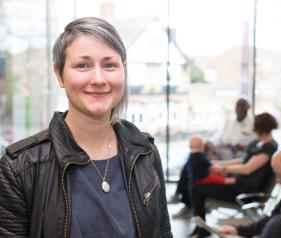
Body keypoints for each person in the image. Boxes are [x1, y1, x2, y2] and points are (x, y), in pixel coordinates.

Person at [0, 17, 172, 238]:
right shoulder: (19, 168)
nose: (98, 79)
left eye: (109, 65)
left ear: (124, 71)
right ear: (59, 74)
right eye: (83, 65)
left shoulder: (145, 152)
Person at [189, 112, 279, 238]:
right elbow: (243, 160)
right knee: (195, 187)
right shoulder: (257, 143)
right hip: (237, 185)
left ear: (260, 127)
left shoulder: (269, 147)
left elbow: (247, 169)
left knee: (196, 189)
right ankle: (200, 227)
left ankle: (202, 229)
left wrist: (222, 169)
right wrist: (218, 163)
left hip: (245, 192)